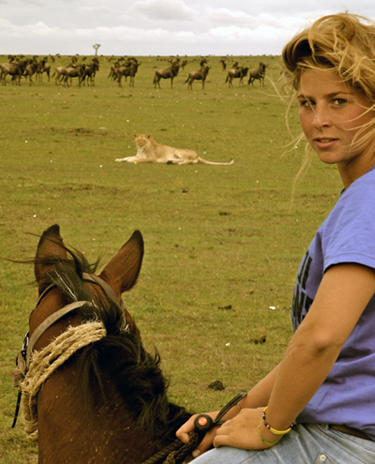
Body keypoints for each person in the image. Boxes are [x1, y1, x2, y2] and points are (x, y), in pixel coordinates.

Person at [176, 12, 375, 463]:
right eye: (307, 103)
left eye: (339, 101)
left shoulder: (368, 202)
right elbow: (331, 352)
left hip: (346, 441)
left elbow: (321, 338)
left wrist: (269, 427)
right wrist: (236, 410)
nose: (319, 120)